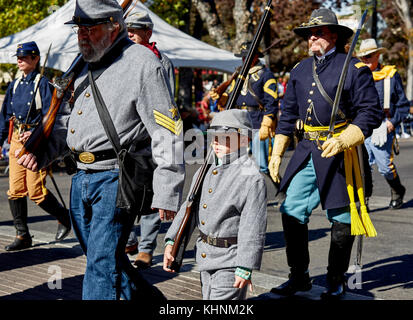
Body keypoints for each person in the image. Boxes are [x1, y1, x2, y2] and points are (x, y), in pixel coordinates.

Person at [17, 0, 185, 300]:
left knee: (100, 264)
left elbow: (168, 131)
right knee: (106, 259)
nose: (82, 35)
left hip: (116, 179)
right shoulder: (85, 62)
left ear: (114, 27)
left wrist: (168, 189)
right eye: (79, 28)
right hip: (80, 178)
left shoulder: (143, 63)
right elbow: (67, 121)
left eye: (90, 29)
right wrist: (41, 152)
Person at [268, 8, 382, 300]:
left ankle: (335, 279)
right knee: (291, 209)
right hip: (307, 150)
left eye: (318, 32)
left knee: (343, 217)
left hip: (340, 152)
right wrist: (277, 151)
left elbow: (370, 112)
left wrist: (346, 139)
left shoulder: (354, 68)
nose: (312, 37)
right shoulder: (299, 70)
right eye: (309, 33)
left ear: (334, 36)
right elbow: (288, 113)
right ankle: (299, 277)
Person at [163, 109, 267, 300]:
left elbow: (252, 225)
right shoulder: (205, 170)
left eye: (225, 138)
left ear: (243, 140)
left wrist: (245, 265)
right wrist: (172, 241)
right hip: (204, 256)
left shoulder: (251, 178)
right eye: (213, 137)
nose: (216, 143)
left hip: (230, 260)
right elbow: (189, 208)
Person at [0, 41, 71, 251]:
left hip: (35, 140)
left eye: (25, 57)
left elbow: (52, 115)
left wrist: (38, 132)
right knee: (15, 190)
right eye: (18, 57)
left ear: (35, 59)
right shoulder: (14, 85)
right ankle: (22, 235)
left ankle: (64, 217)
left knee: (36, 191)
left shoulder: (43, 84)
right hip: (16, 139)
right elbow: (5, 116)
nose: (20, 60)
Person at [124, 10, 177, 268]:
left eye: (135, 29)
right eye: (127, 30)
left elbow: (166, 107)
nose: (130, 34)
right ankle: (128, 241)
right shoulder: (118, 59)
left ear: (148, 32)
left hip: (148, 142)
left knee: (149, 198)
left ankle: (145, 248)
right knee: (121, 196)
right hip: (122, 143)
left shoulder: (161, 62)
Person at [209, 42, 279, 177]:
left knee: (262, 165)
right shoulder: (239, 75)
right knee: (239, 163)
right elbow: (231, 97)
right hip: (240, 123)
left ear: (255, 57)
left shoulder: (266, 75)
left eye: (246, 57)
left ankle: (279, 190)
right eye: (242, 57)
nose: (244, 60)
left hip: (259, 122)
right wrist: (220, 96)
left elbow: (272, 101)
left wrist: (267, 122)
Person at [356, 38, 410, 209]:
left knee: (385, 167)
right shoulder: (357, 76)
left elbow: (403, 105)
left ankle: (397, 190)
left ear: (378, 55)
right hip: (362, 127)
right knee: (364, 167)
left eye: (369, 56)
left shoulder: (390, 75)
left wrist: (393, 123)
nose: (365, 60)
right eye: (363, 57)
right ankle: (364, 200)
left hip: (382, 126)